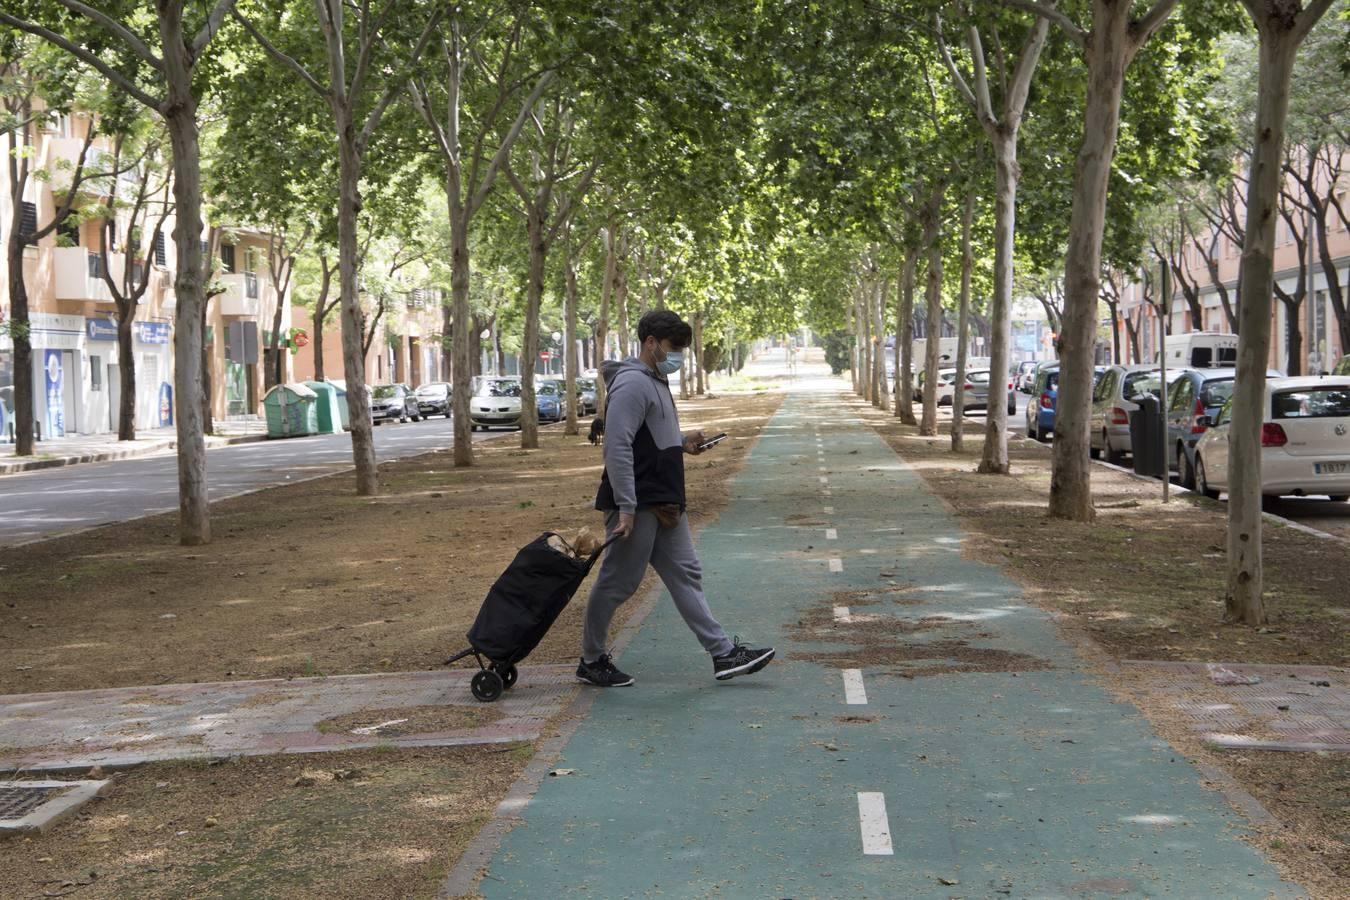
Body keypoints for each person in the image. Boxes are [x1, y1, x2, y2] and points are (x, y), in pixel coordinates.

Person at [577, 310, 774, 687]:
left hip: (665, 499)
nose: (678, 357)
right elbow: (617, 447)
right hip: (638, 501)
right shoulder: (632, 383)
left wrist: (683, 444)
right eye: (673, 348)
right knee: (618, 582)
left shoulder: (656, 379)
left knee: (686, 574)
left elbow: (649, 440)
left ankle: (723, 654)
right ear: (650, 343)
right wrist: (627, 507)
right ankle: (591, 659)